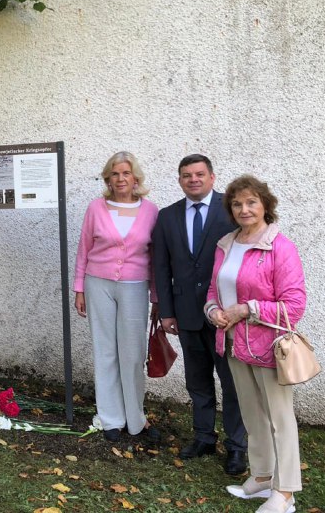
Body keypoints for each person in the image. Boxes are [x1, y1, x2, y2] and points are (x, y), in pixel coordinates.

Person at [205, 175, 306, 513]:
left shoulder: (280, 246)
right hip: (233, 342)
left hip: (269, 345)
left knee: (279, 418)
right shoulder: (226, 244)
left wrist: (246, 309)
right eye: (237, 203)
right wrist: (214, 311)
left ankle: (286, 491)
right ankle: (263, 477)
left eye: (251, 202)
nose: (244, 209)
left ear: (265, 205)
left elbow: (294, 305)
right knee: (252, 415)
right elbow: (213, 291)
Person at [152, 154, 247, 475]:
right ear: (180, 180)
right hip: (186, 315)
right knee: (198, 382)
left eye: (199, 174)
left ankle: (237, 446)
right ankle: (204, 437)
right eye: (186, 175)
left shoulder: (232, 210)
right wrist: (166, 312)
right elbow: (161, 269)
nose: (193, 179)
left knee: (232, 384)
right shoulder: (167, 217)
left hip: (225, 315)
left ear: (212, 177)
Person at [73, 152, 161, 444]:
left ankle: (136, 418)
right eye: (114, 173)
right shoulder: (96, 208)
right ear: (107, 178)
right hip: (98, 284)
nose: (120, 178)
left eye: (126, 173)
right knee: (105, 351)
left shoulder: (151, 211)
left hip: (136, 286)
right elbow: (84, 249)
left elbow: (156, 258)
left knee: (133, 354)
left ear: (136, 178)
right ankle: (111, 417)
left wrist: (157, 296)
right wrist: (79, 288)